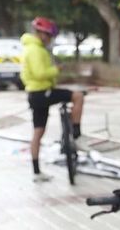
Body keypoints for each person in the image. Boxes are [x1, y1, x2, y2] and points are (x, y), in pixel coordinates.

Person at [20, 17, 85, 182]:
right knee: (78, 96)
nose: (50, 39)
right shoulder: (36, 50)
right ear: (41, 34)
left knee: (38, 132)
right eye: (48, 35)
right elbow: (40, 73)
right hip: (42, 93)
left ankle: (36, 171)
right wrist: (56, 69)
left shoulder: (32, 48)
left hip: (35, 94)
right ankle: (76, 133)